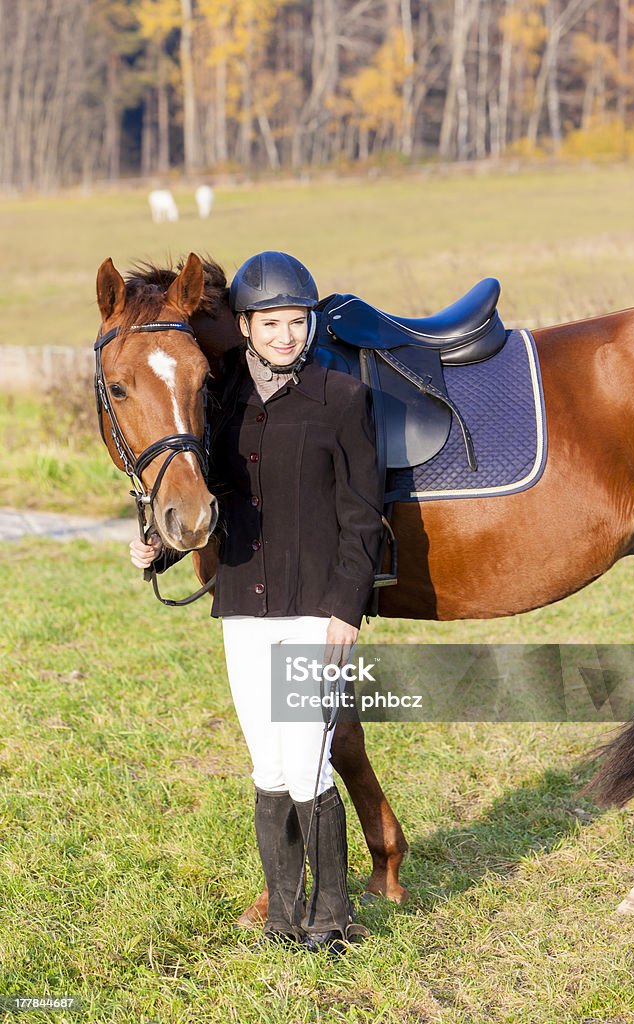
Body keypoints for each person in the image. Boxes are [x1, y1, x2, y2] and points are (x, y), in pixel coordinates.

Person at [130, 251, 384, 953]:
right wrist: (162, 547)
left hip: (313, 610)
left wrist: (343, 611)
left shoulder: (342, 400)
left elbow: (362, 521)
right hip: (241, 606)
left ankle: (331, 920)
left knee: (306, 761)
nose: (284, 335)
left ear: (309, 325)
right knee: (267, 769)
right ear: (243, 325)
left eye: (295, 322)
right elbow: (210, 505)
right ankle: (280, 919)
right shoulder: (217, 403)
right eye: (270, 322)